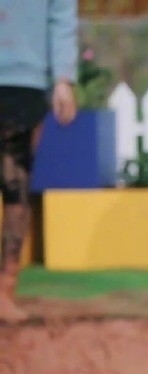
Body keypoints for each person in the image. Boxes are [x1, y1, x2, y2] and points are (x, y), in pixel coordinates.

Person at [0, 0, 78, 324]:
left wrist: (62, 79)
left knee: (15, 186)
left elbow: (62, 18)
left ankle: (5, 291)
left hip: (25, 81)